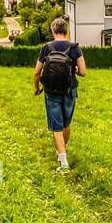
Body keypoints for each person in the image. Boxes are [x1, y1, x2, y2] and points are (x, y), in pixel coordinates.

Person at [32, 16, 87, 171]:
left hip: (51, 91)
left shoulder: (46, 48)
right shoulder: (74, 47)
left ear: (53, 31)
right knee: (66, 123)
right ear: (66, 30)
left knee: (56, 126)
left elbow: (37, 72)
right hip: (69, 90)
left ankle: (63, 161)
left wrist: (37, 88)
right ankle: (63, 149)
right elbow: (83, 72)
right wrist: (73, 69)